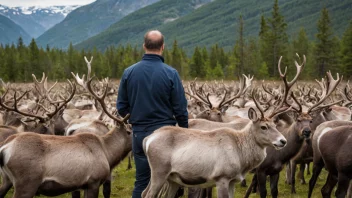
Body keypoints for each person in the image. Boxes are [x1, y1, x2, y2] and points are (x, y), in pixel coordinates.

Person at [117, 30, 188, 198]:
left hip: (139, 134)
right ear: (163, 47)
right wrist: (185, 132)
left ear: (144, 46)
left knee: (142, 182)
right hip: (167, 137)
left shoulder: (129, 72)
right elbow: (180, 109)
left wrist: (136, 117)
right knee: (171, 182)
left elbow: (121, 106)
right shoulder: (171, 73)